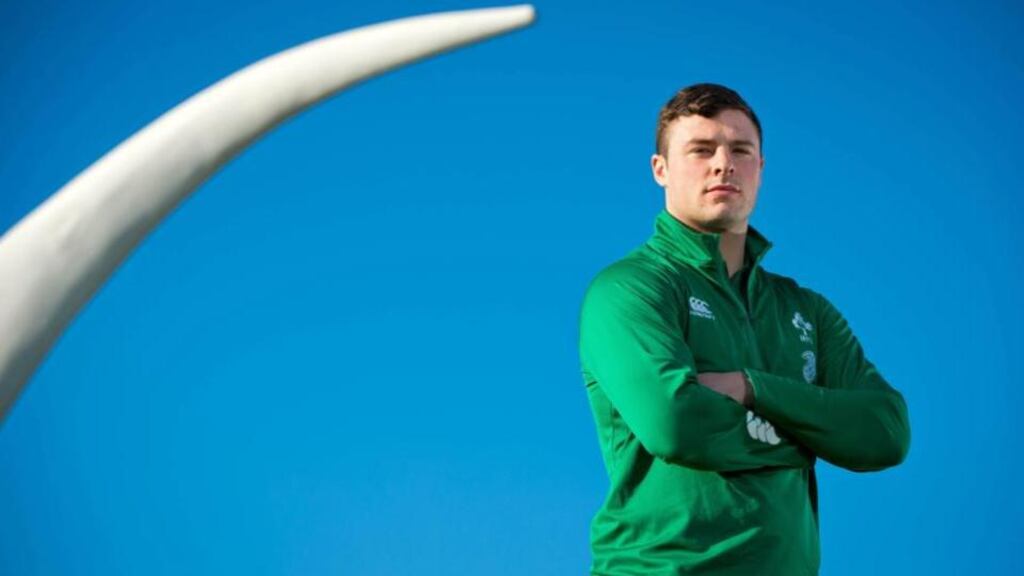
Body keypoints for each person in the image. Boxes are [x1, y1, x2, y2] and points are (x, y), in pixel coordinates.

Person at [577, 83, 911, 575]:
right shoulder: (630, 288)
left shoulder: (806, 309)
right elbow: (676, 426)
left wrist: (751, 388)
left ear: (760, 169)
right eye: (701, 149)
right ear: (660, 170)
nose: (722, 163)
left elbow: (886, 432)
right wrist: (813, 435)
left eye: (740, 150)